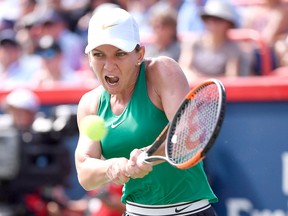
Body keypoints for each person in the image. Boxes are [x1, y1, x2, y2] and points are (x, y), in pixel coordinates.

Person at [75, 7, 218, 216]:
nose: (109, 66)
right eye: (99, 55)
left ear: (139, 54)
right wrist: (112, 167)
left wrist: (148, 154)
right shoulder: (90, 104)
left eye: (120, 54)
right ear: (89, 58)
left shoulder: (162, 71)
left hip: (189, 212)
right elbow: (85, 173)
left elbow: (189, 139)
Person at [179, 0, 249, 80]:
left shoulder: (233, 48)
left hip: (221, 91)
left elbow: (231, 76)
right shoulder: (193, 42)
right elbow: (184, 68)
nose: (212, 23)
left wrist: (209, 84)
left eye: (218, 19)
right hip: (194, 90)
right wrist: (197, 81)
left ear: (228, 24)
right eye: (208, 18)